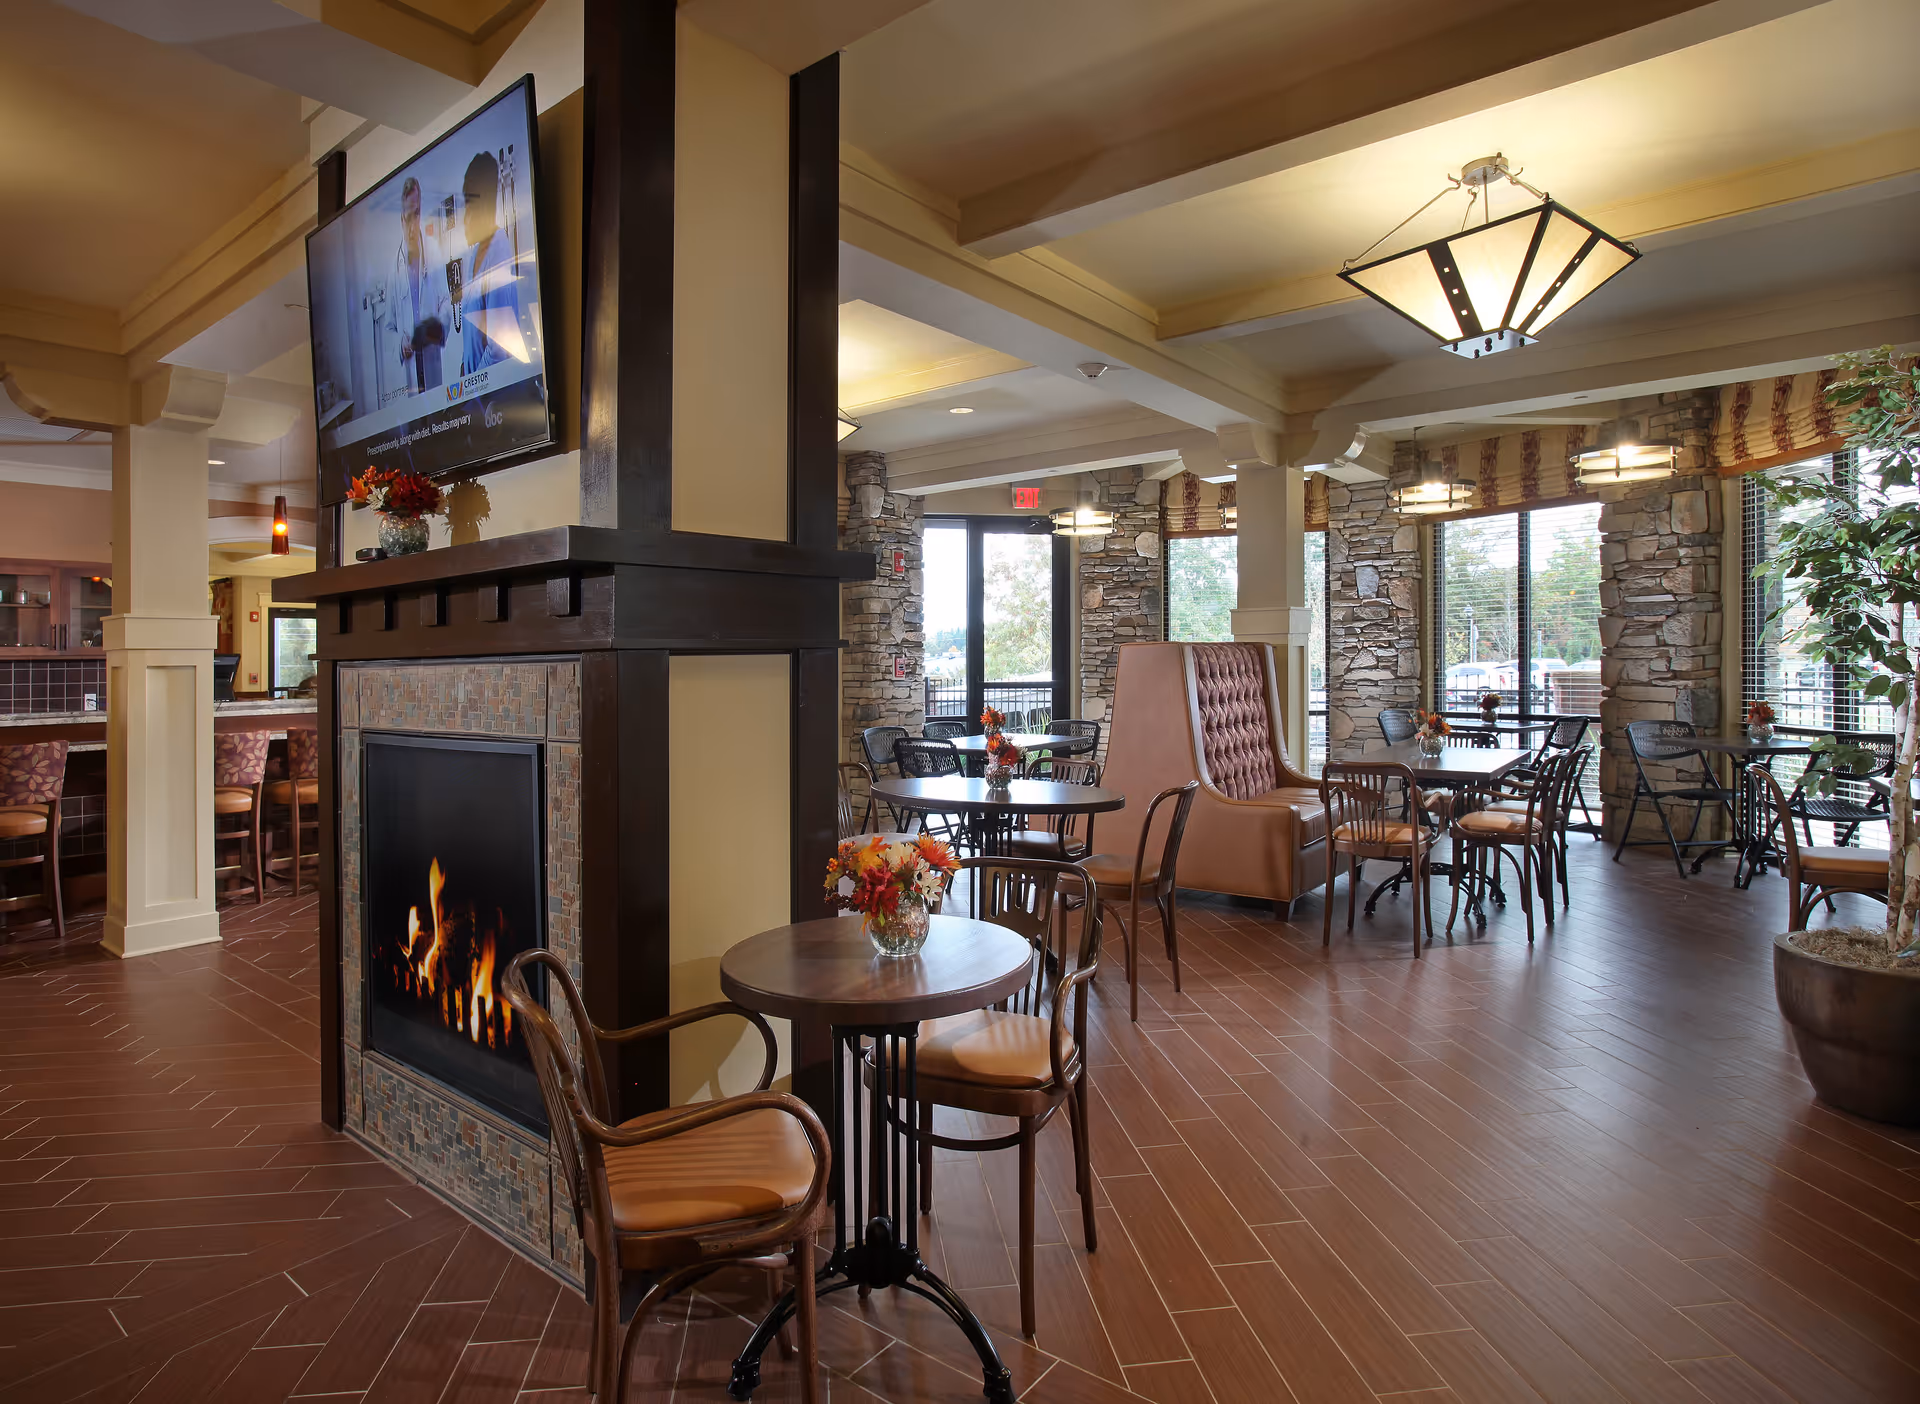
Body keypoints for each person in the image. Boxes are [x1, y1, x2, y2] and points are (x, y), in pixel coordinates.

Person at [458, 152, 523, 376]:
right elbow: (471, 336)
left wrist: (472, 390)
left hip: (491, 401)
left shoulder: (499, 249)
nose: (464, 217)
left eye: (469, 205)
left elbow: (498, 349)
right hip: (473, 397)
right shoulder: (473, 254)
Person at [389, 177, 449, 393]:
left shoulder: (434, 251)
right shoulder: (393, 267)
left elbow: (446, 303)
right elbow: (389, 325)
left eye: (417, 215)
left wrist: (436, 328)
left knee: (438, 422)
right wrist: (400, 344)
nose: (413, 225)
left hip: (431, 358)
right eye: (408, 218)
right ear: (401, 220)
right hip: (410, 368)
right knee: (417, 423)